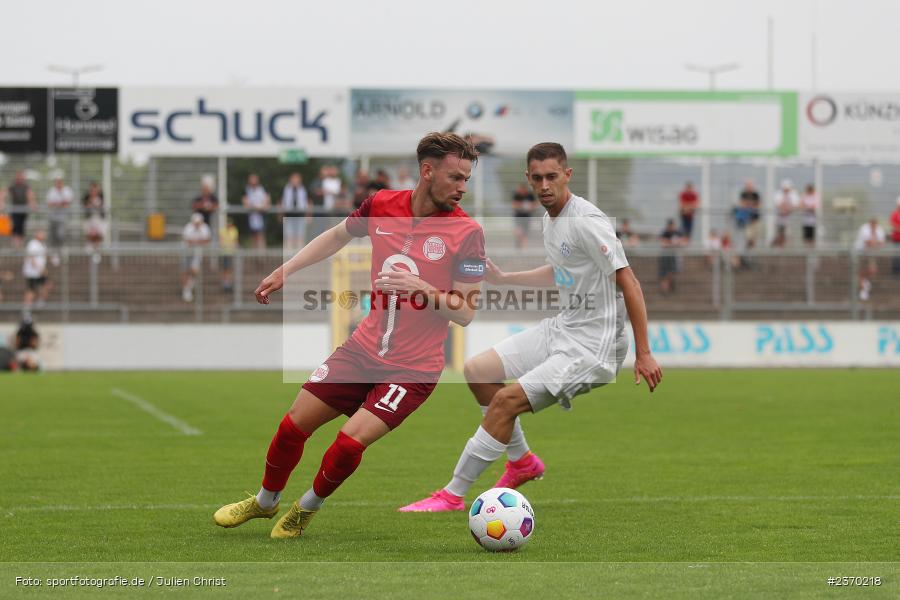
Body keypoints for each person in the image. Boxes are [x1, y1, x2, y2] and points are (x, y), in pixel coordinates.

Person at [212, 132, 485, 538]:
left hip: (411, 370)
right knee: (292, 426)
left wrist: (423, 292)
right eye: (456, 177)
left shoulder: (468, 234)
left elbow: (465, 312)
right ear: (427, 172)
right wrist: (286, 270)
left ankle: (306, 509)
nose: (463, 187)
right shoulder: (380, 205)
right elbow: (337, 235)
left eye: (467, 178)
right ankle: (265, 501)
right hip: (361, 351)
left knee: (348, 443)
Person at [398, 142, 661, 513]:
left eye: (552, 177)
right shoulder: (550, 217)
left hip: (592, 348)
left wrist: (644, 353)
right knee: (477, 371)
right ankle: (521, 462)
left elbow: (629, 281)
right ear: (528, 178)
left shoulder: (586, 221)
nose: (544, 185)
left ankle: (453, 494)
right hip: (564, 327)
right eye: (537, 178)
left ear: (567, 175)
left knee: (506, 402)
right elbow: (560, 272)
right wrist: (506, 279)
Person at [181, 213, 212, 302]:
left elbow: (206, 241)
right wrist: (199, 242)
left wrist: (195, 242)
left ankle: (188, 288)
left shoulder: (205, 228)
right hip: (187, 252)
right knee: (184, 271)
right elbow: (188, 241)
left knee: (195, 270)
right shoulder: (188, 227)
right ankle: (186, 289)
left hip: (197, 252)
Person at [855, 217, 885, 301]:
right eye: (872, 225)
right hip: (860, 253)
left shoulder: (879, 229)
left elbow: (882, 243)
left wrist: (875, 242)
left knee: (873, 270)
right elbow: (868, 243)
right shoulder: (864, 229)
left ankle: (865, 282)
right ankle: (863, 291)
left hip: (871, 253)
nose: (874, 226)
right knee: (860, 272)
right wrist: (875, 242)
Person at [5, 171, 37, 248]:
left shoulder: (25, 186)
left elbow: (30, 195)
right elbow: (4, 193)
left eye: (21, 178)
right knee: (15, 226)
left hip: (23, 210)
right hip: (15, 210)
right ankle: (15, 244)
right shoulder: (13, 186)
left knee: (21, 226)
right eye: (18, 178)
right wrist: (1, 202)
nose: (19, 179)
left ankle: (20, 245)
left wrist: (32, 203)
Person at [46, 177, 73, 266]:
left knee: (61, 235)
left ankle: (63, 253)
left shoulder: (67, 190)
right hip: (53, 218)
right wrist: (60, 204)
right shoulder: (51, 191)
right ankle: (55, 256)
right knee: (53, 237)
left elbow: (67, 203)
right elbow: (50, 204)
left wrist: (58, 204)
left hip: (63, 219)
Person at [280, 172, 310, 249]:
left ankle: (300, 254)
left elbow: (306, 202)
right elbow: (283, 201)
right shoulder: (287, 188)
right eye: (293, 178)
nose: (295, 180)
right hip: (289, 214)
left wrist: (308, 215)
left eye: (297, 178)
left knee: (300, 235)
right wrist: (281, 214)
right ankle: (289, 255)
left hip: (300, 214)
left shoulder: (302, 189)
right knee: (289, 235)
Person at [242, 174, 270, 249]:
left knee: (261, 235)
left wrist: (260, 207)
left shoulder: (262, 189)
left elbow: (267, 201)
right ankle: (255, 256)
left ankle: (262, 256)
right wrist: (253, 207)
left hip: (261, 215)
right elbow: (245, 202)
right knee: (253, 236)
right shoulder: (246, 190)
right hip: (251, 216)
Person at [23, 230, 49, 308]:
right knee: (31, 290)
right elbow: (32, 258)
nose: (43, 235)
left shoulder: (42, 244)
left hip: (39, 271)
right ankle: (27, 307)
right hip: (32, 272)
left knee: (46, 285)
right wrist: (39, 269)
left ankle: (41, 301)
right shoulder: (33, 244)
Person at [658, 218, 684, 296]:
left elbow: (682, 242)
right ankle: (665, 290)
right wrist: (672, 243)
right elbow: (663, 243)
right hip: (665, 256)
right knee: (664, 273)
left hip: (673, 256)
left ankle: (670, 287)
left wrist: (670, 243)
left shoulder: (677, 232)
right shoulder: (665, 233)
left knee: (671, 272)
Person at [772, 179, 798, 247]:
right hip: (780, 218)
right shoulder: (778, 194)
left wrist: (788, 209)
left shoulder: (793, 194)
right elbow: (778, 204)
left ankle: (782, 247)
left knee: (786, 234)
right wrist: (785, 207)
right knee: (780, 232)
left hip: (789, 218)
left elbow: (795, 205)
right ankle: (779, 245)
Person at [82, 181, 105, 257]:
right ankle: (89, 248)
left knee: (99, 234)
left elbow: (102, 208)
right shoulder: (86, 197)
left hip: (98, 218)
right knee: (89, 233)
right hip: (90, 218)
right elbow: (85, 207)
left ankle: (97, 251)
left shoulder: (101, 197)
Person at [511, 183, 536, 249]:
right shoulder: (517, 195)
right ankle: (518, 243)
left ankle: (524, 246)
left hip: (527, 217)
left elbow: (535, 204)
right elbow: (514, 205)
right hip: (518, 217)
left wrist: (529, 206)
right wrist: (523, 205)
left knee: (525, 232)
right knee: (519, 231)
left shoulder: (530, 195)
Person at [219, 217, 239, 293]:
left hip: (231, 253)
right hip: (224, 253)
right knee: (225, 269)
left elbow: (235, 242)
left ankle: (227, 282)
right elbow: (221, 242)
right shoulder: (223, 230)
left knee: (229, 269)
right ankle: (225, 283)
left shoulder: (234, 230)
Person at [889, 197, 900, 277]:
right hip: (896, 239)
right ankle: (895, 272)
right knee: (896, 256)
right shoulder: (894, 214)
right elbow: (893, 225)